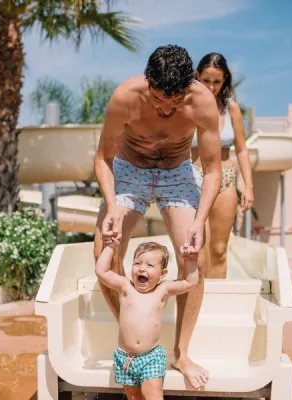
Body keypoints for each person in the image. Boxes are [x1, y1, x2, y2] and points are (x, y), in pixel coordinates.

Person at [93, 44, 222, 389]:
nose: (166, 108)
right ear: (148, 81)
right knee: (104, 247)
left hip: (178, 172)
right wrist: (110, 206)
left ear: (189, 86)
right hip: (129, 168)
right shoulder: (125, 97)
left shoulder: (203, 103)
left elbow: (211, 170)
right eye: (159, 99)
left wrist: (198, 222)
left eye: (175, 101)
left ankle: (181, 352)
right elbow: (103, 158)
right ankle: (136, 341)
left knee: (194, 255)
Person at [95, 240, 198, 400]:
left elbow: (190, 282)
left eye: (150, 265)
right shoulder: (125, 287)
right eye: (137, 263)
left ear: (162, 274)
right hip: (125, 358)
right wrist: (110, 247)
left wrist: (190, 261)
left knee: (153, 394)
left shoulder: (162, 290)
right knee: (134, 398)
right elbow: (102, 272)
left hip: (151, 357)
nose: (142, 268)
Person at [191, 53, 254, 279]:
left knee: (218, 250)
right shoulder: (186, 106)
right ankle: (195, 306)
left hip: (226, 179)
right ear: (197, 76)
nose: (211, 86)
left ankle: (216, 304)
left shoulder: (231, 109)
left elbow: (242, 149)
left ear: (225, 80)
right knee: (197, 248)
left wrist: (248, 186)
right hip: (193, 179)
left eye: (217, 81)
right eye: (206, 80)